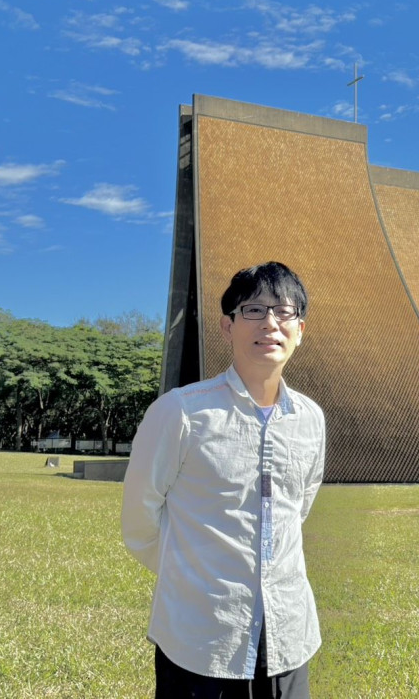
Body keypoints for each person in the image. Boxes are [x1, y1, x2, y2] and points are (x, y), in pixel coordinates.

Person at [122, 261, 325, 699]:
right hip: (201, 639)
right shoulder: (181, 413)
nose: (269, 323)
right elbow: (139, 518)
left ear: (300, 329)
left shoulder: (311, 420)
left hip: (288, 635)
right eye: (253, 310)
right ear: (227, 326)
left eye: (283, 312)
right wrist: (196, 575)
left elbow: (296, 509)